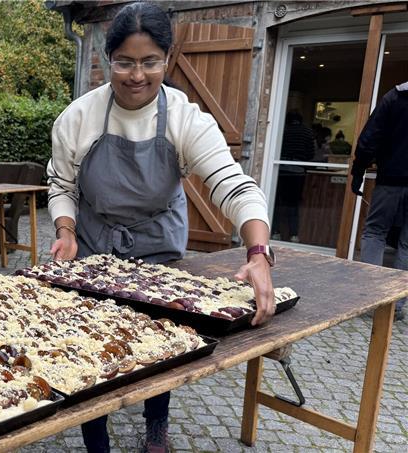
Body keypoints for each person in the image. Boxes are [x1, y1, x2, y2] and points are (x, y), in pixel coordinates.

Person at [46, 2, 276, 451]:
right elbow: (60, 184)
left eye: (150, 62)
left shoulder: (185, 119)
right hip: (93, 241)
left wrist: (258, 253)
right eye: (125, 62)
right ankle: (97, 440)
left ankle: (156, 426)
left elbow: (234, 187)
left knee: (162, 340)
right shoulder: (78, 118)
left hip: (157, 242)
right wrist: (67, 230)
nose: (137, 75)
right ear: (108, 60)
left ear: (167, 60)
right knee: (90, 345)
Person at [350, 81, 408, 321]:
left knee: (375, 233)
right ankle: (398, 304)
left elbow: (370, 137)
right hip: (391, 178)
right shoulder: (394, 97)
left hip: (391, 179)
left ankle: (372, 299)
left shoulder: (396, 97)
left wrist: (358, 171)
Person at [271, 112, 315, 242]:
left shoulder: (283, 130)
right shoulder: (307, 132)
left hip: (281, 170)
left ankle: (275, 232)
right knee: (293, 204)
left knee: (277, 203)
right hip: (297, 171)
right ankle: (294, 235)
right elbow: (311, 154)